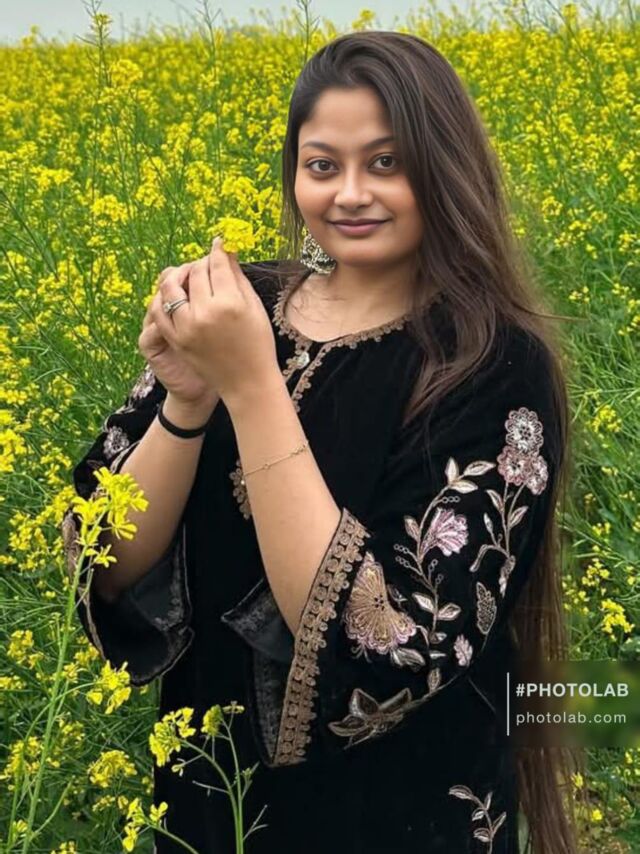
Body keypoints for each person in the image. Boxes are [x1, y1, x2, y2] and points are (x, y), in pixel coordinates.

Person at [62, 31, 585, 854]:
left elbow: (389, 648)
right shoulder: (244, 308)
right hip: (211, 794)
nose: (349, 193)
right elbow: (104, 559)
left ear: (444, 167)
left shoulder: (492, 363)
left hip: (400, 813)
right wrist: (188, 399)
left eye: (386, 163)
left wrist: (251, 385)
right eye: (321, 165)